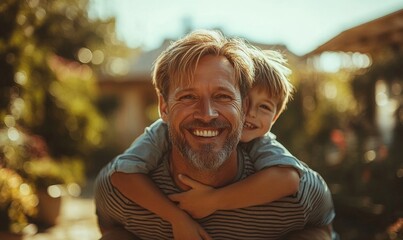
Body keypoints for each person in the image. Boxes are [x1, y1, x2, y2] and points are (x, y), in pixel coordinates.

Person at [94, 29, 335, 240]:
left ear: (243, 108)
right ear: (164, 107)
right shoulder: (123, 193)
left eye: (223, 96)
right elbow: (111, 221)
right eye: (188, 96)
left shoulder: (297, 192)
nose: (207, 114)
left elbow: (322, 223)